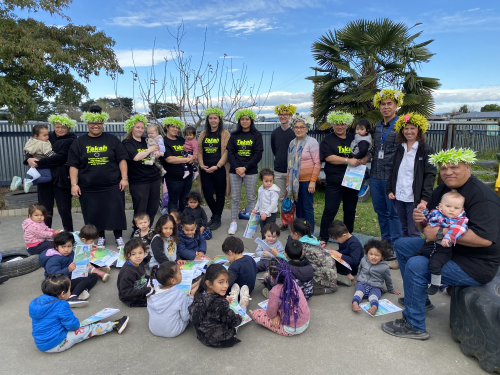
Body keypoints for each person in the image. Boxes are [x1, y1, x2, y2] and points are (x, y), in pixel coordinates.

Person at [382, 148, 500, 340]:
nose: (448, 172)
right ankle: (421, 299)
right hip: (448, 249)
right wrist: (419, 218)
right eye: (443, 168)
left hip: (476, 263)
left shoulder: (483, 197)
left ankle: (414, 324)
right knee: (403, 245)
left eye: (454, 167)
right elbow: (425, 228)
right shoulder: (444, 189)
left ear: (468, 166)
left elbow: (484, 239)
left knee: (416, 265)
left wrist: (439, 232)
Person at [68, 105, 129, 248]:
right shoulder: (79, 142)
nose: (96, 126)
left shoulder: (112, 139)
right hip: (89, 187)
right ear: (87, 124)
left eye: (99, 123)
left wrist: (124, 178)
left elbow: (122, 160)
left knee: (116, 211)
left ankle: (118, 237)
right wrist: (73, 184)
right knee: (94, 213)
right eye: (93, 123)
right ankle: (100, 236)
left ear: (103, 124)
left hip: (112, 185)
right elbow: (73, 165)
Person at [29, 273, 128, 352]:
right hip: (56, 344)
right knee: (88, 329)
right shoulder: (61, 305)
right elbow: (72, 326)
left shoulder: (36, 302)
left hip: (41, 343)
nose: (70, 291)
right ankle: (113, 325)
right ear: (63, 294)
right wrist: (79, 325)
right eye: (69, 289)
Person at [319, 111, 369, 246]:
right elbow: (329, 158)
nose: (339, 127)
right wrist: (348, 160)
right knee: (330, 210)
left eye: (342, 124)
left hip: (352, 181)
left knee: (350, 210)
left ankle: (348, 237)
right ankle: (323, 236)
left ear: (347, 124)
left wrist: (364, 159)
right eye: (336, 124)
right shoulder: (328, 139)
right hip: (334, 182)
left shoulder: (355, 137)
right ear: (332, 124)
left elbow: (368, 151)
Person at [387, 113, 436, 239]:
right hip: (399, 195)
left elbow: (430, 175)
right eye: (406, 128)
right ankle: (406, 256)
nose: (409, 131)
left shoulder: (425, 150)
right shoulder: (400, 148)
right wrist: (390, 189)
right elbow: (393, 170)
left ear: (419, 130)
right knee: (404, 228)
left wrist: (425, 198)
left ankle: (416, 256)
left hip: (414, 198)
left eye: (412, 128)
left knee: (413, 230)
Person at [24, 114, 77, 232]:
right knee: (44, 209)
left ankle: (69, 234)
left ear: (69, 128)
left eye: (63, 127)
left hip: (62, 178)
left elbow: (60, 158)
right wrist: (28, 158)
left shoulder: (71, 140)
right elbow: (32, 147)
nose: (60, 129)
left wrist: (38, 163)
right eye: (57, 127)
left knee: (64, 209)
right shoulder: (47, 136)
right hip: (44, 178)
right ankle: (44, 233)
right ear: (54, 126)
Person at [414, 190, 468, 295]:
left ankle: (435, 284)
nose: (452, 210)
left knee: (434, 265)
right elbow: (426, 221)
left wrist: (447, 237)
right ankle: (410, 257)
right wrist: (422, 212)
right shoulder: (436, 213)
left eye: (456, 208)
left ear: (462, 209)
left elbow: (458, 230)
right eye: (448, 206)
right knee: (421, 251)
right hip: (430, 244)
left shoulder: (460, 220)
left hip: (444, 248)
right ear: (441, 206)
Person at [371, 89, 404, 247]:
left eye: (389, 103)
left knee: (394, 213)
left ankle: (397, 245)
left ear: (396, 105)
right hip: (375, 175)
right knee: (380, 211)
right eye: (383, 104)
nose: (386, 107)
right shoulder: (377, 126)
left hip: (392, 177)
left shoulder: (401, 125)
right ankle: (386, 242)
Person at [249, 258, 311, 336]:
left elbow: (270, 313)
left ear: (271, 277)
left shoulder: (275, 291)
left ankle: (253, 315)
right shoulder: (293, 282)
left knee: (257, 313)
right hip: (305, 321)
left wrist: (275, 316)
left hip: (291, 329)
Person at [226, 109, 264, 235]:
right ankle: (233, 223)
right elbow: (230, 153)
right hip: (234, 171)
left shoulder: (256, 135)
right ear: (239, 121)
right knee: (235, 198)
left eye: (247, 119)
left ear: (251, 120)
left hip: (251, 171)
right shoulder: (234, 135)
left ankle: (252, 224)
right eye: (242, 119)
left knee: (251, 198)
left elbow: (258, 154)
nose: (245, 121)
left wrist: (245, 168)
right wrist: (237, 168)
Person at [189, 264, 245, 348]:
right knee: (242, 312)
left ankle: (234, 297)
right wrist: (239, 318)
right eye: (221, 282)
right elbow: (233, 321)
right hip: (219, 339)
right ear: (209, 283)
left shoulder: (200, 296)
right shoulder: (221, 304)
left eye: (226, 281)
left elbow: (194, 317)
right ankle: (244, 302)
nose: (226, 285)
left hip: (202, 336)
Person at [38, 232, 101, 307]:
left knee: (94, 276)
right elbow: (53, 276)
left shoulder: (71, 253)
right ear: (56, 246)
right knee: (85, 279)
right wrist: (68, 270)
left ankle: (81, 290)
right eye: (63, 247)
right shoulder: (54, 259)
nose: (66, 249)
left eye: (69, 246)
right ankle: (73, 297)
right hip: (58, 285)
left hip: (70, 277)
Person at [122, 115, 162, 232]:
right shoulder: (127, 142)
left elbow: (158, 150)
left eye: (142, 128)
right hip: (139, 181)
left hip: (154, 179)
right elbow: (136, 157)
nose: (140, 130)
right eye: (137, 127)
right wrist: (149, 150)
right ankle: (137, 231)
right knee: (141, 209)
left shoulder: (147, 140)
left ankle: (148, 230)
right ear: (131, 128)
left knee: (153, 208)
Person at [197, 107, 231, 231]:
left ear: (219, 120)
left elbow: (227, 151)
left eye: (215, 118)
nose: (213, 120)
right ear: (207, 120)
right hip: (205, 169)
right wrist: (201, 165)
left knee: (220, 195)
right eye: (210, 118)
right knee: (207, 194)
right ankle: (216, 216)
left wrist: (217, 165)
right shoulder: (203, 134)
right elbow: (199, 151)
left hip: (219, 169)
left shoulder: (225, 133)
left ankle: (216, 218)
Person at [147, 261, 200, 338]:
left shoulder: (152, 293)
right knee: (189, 303)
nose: (181, 274)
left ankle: (198, 283)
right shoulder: (179, 295)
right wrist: (191, 300)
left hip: (153, 329)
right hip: (173, 331)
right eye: (179, 273)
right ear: (172, 281)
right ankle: (199, 284)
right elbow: (185, 317)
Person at [287, 115, 320, 234]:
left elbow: (317, 163)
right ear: (293, 128)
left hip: (307, 182)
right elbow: (289, 165)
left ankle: (309, 233)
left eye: (302, 127)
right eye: (296, 127)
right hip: (294, 182)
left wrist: (312, 181)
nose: (299, 129)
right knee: (298, 208)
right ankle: (300, 232)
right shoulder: (292, 143)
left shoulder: (312, 142)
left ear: (307, 129)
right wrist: (288, 182)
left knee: (307, 208)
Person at [289, 218, 342, 293]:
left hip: (321, 275)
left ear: (296, 234)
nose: (291, 235)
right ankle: (334, 278)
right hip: (329, 267)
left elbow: (294, 260)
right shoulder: (311, 238)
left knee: (300, 287)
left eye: (291, 233)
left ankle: (328, 288)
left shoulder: (302, 246)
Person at [352, 239, 401, 315]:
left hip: (376, 286)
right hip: (362, 283)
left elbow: (388, 280)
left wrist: (392, 290)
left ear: (383, 256)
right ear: (367, 253)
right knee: (359, 292)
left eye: (377, 255)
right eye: (370, 254)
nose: (373, 257)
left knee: (374, 296)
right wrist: (357, 279)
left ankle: (374, 307)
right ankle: (355, 303)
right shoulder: (363, 260)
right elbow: (360, 270)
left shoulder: (384, 267)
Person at [271, 104, 296, 230]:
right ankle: (284, 222)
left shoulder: (294, 132)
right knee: (281, 197)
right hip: (279, 170)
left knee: (294, 197)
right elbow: (274, 150)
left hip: (293, 171)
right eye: (281, 114)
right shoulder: (275, 133)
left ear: (290, 116)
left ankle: (294, 222)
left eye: (285, 114)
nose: (283, 116)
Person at [161, 117, 194, 213]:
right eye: (172, 127)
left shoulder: (181, 139)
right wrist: (186, 159)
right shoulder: (163, 141)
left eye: (177, 127)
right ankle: (173, 224)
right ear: (167, 127)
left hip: (188, 177)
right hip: (174, 178)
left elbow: (190, 150)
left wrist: (192, 157)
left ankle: (183, 222)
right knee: (173, 201)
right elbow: (169, 159)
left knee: (184, 200)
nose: (175, 129)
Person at [11, 124, 57, 193]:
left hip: (32, 163)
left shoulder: (31, 141)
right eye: (44, 135)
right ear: (36, 136)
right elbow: (48, 154)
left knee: (36, 177)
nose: (47, 137)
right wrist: (57, 156)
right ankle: (26, 180)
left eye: (47, 134)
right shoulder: (44, 143)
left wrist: (29, 158)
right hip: (41, 163)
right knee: (48, 178)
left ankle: (20, 180)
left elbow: (26, 151)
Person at [117, 238, 151, 307]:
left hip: (141, 288)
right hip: (131, 298)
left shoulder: (139, 263)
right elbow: (126, 293)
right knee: (154, 303)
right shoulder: (127, 273)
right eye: (133, 254)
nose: (138, 256)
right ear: (127, 256)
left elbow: (143, 276)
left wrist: (152, 278)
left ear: (145, 252)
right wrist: (145, 290)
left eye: (140, 253)